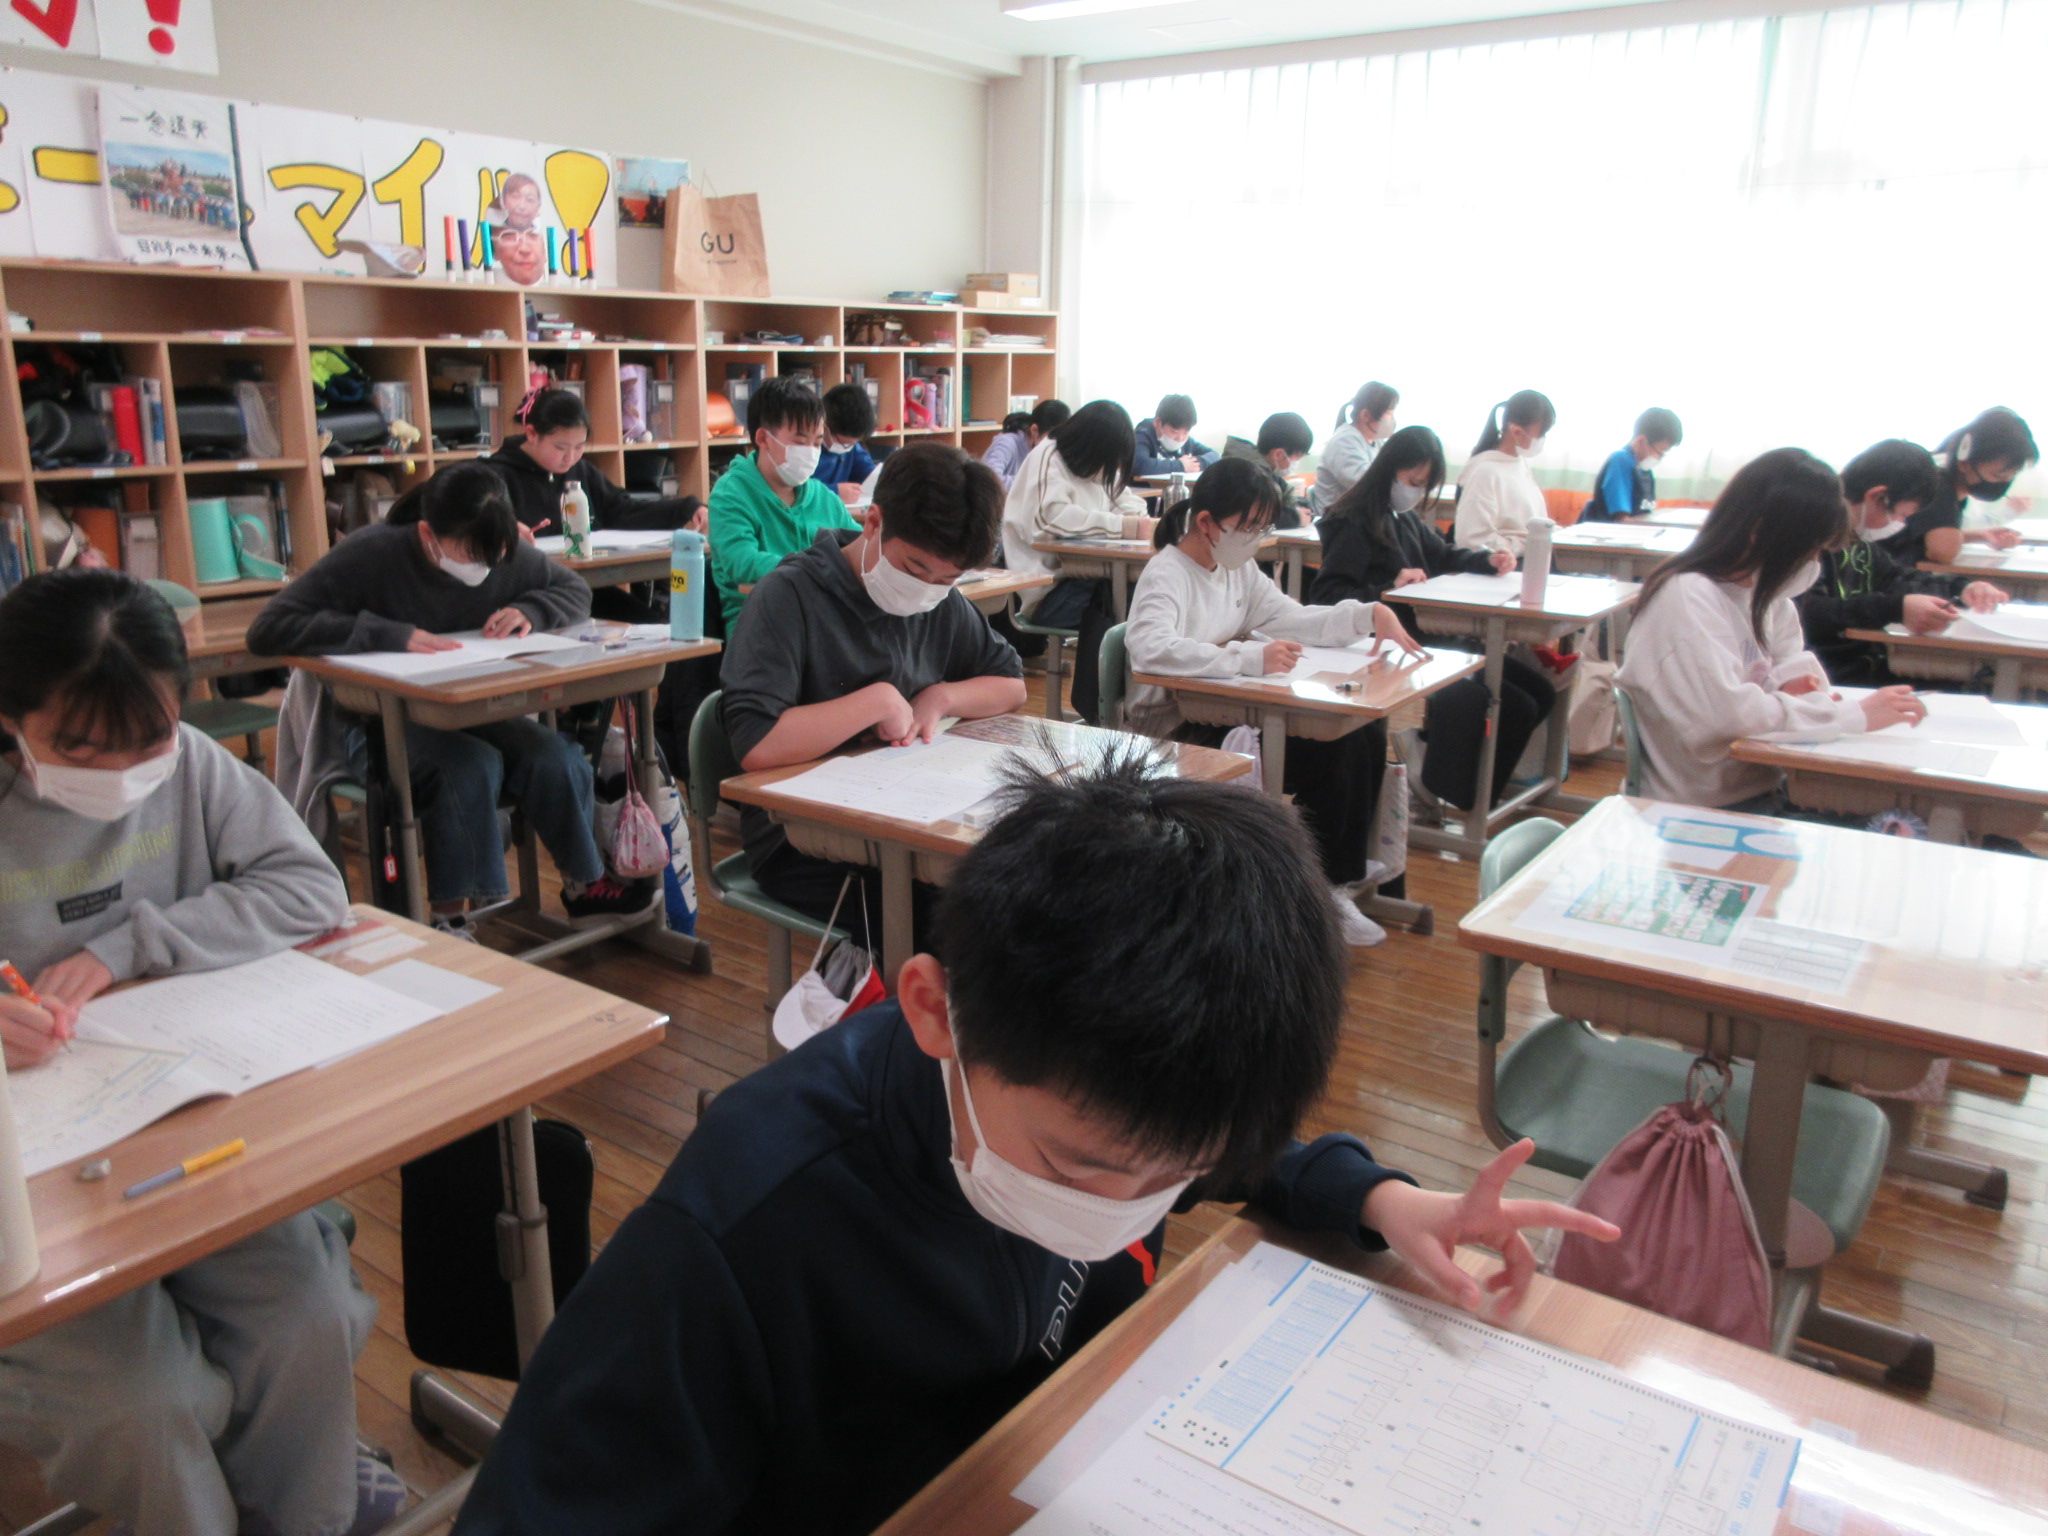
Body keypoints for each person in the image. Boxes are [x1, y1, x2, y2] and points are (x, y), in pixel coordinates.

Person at [448, 747, 1618, 1536]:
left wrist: (1376, 1199)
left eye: (1173, 1172)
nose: (1131, 1203)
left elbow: (1218, 1152)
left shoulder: (1105, 1100)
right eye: (1082, 1170)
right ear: (932, 1010)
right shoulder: (740, 1233)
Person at [0, 569, 400, 1536]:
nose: (121, 773)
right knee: (147, 1402)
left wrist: (127, 946)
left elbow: (309, 891)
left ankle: (303, 1512)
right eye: (79, 748)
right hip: (30, 1180)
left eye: (149, 740)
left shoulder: (191, 767)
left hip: (173, 1117)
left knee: (308, 1316)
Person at [249, 462, 644, 924]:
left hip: (469, 711)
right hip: (378, 723)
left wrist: (531, 610)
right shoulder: (372, 553)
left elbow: (574, 590)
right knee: (467, 767)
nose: (482, 567)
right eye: (470, 554)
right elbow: (269, 628)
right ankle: (451, 919)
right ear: (427, 533)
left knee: (557, 759)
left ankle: (584, 883)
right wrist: (387, 634)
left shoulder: (498, 548)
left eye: (494, 556)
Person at [720, 443, 1026, 950]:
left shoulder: (939, 601)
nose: (927, 589)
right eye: (916, 568)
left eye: (948, 579)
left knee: (1018, 893)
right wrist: (876, 701)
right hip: (800, 836)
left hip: (907, 813)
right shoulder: (789, 596)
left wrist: (941, 698)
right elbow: (756, 743)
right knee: (949, 920)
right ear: (874, 523)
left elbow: (1010, 683)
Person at [1124, 458, 1423, 946]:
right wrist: (1247, 657)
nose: (1257, 539)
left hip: (1225, 706)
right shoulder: (1167, 574)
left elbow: (1294, 618)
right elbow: (1150, 649)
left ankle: (1337, 879)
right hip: (1175, 726)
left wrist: (1368, 615)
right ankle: (1322, 891)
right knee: (1333, 751)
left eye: (1263, 527)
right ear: (1206, 523)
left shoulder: (1237, 570)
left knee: (1360, 730)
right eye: (1249, 527)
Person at [1617, 447, 1929, 812]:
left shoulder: (1768, 597)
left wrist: (1792, 697)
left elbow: (1804, 678)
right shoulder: (1689, 597)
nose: (1813, 562)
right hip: (1698, 807)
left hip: (1763, 784)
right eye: (1809, 549)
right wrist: (1849, 715)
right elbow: (1729, 718)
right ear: (1760, 532)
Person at [1311, 427, 1552, 814]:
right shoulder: (1353, 520)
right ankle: (1457, 797)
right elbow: (1326, 596)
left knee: (1540, 691)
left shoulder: (1401, 517)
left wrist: (1487, 560)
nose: (1416, 493)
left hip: (1430, 634)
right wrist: (1388, 587)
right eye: (1413, 482)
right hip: (1395, 643)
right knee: (1515, 705)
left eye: (1423, 486)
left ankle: (1466, 788)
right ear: (1390, 469)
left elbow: (1442, 554)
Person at [1799, 439, 2009, 686]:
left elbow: (1896, 577)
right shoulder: (1809, 538)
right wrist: (1896, 609)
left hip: (1863, 669)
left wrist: (1962, 589)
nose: (1900, 524)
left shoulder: (1858, 541)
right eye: (1900, 514)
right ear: (1877, 496)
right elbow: (1809, 613)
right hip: (1822, 677)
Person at [1001, 400, 1152, 722]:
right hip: (1047, 594)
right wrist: (1126, 526)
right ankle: (1102, 707)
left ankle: (1128, 704)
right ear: (1092, 445)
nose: (1109, 469)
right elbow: (1051, 518)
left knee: (1147, 590)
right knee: (1123, 596)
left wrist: (1138, 520)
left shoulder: (1095, 464)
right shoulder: (1049, 456)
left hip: (1084, 579)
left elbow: (1129, 503)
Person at [708, 377, 859, 627]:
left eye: (817, 443)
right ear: (763, 438)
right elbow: (741, 562)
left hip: (822, 619)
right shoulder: (730, 493)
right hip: (759, 623)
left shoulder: (823, 497)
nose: (811, 451)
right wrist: (813, 569)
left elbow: (860, 545)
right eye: (800, 442)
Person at [483, 387, 704, 535]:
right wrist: (505, 531)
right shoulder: (496, 475)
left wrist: (688, 508)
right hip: (533, 584)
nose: (570, 457)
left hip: (587, 580)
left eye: (579, 447)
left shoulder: (581, 470)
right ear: (532, 434)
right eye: (560, 448)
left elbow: (623, 510)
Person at [1878, 406, 2039, 567]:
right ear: (1965, 462)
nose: (2002, 484)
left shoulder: (1949, 487)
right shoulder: (1937, 486)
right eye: (1997, 476)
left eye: (2010, 477)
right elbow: (1943, 552)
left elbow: (1924, 539)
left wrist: (1980, 536)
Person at [1454, 390, 1556, 555]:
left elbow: (1530, 524)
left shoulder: (1519, 463)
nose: (1542, 440)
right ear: (1516, 432)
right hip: (1505, 564)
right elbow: (1472, 541)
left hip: (1528, 555)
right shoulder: (1485, 472)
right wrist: (1526, 545)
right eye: (1541, 434)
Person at [1310, 382, 1400, 516]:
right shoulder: (1344, 441)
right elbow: (1368, 485)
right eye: (1389, 413)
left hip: (1361, 517)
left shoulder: (1377, 440)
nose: (1392, 420)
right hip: (1338, 520)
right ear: (1366, 415)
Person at [1582, 407, 1682, 522]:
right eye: (1660, 452)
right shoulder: (1620, 461)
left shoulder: (1644, 469)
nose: (1660, 458)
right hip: (1611, 530)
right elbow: (1621, 519)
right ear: (1641, 441)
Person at [1220, 411, 1315, 528]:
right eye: (1297, 458)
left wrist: (1303, 510)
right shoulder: (1245, 473)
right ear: (1278, 454)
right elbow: (1257, 516)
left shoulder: (1269, 471)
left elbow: (1288, 496)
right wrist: (1296, 517)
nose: (1297, 463)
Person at [980, 399, 1070, 491]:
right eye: (1051, 438)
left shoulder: (1043, 451)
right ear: (1035, 430)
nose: (1053, 445)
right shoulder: (1007, 443)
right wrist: (1031, 482)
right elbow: (989, 480)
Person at [1132, 393, 1220, 477]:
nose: (1180, 438)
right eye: (1174, 432)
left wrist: (1195, 463)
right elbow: (1138, 464)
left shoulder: (1187, 441)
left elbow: (1215, 456)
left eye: (1185, 432)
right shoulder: (1144, 433)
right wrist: (1181, 465)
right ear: (1157, 423)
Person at [816, 382, 881, 496]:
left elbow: (869, 473)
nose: (848, 447)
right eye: (844, 443)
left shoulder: (853, 448)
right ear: (824, 427)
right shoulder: (806, 449)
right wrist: (834, 491)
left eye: (855, 443)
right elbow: (795, 491)